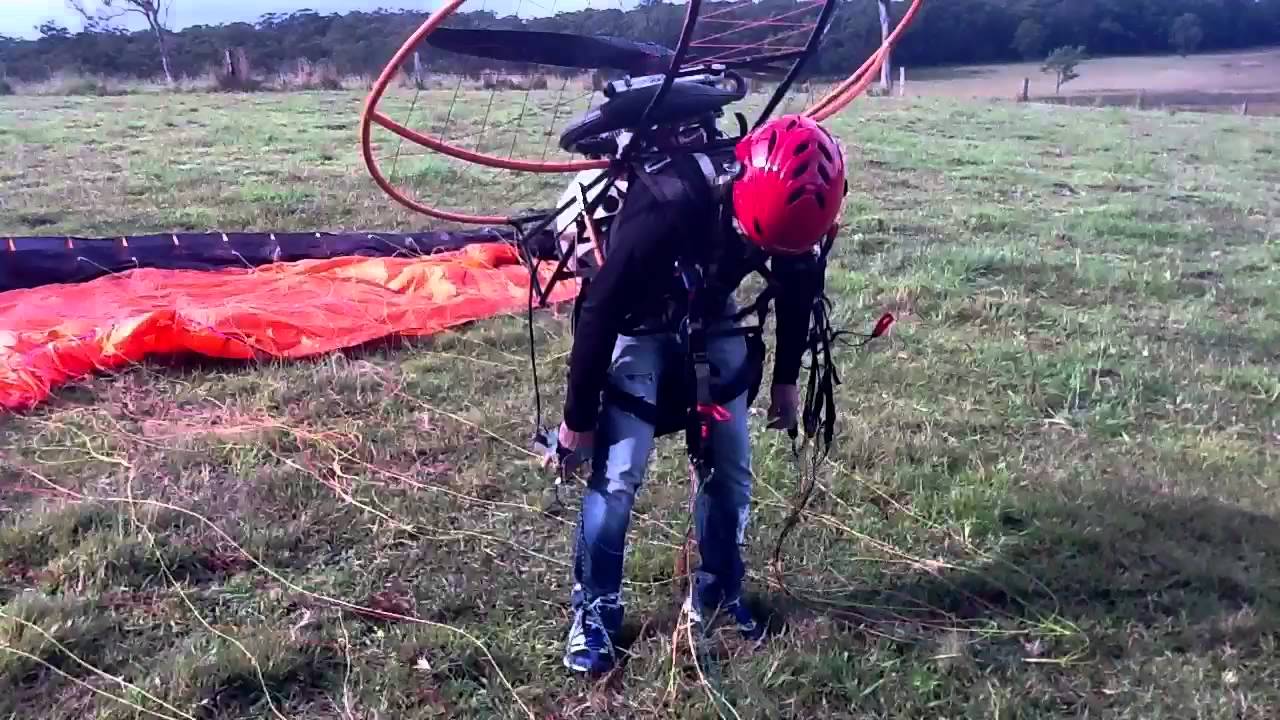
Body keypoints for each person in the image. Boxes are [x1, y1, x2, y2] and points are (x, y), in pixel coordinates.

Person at [553, 114, 847, 674]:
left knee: (732, 465)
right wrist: (577, 418)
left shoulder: (801, 201)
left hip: (712, 314)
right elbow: (599, 310)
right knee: (619, 473)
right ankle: (595, 614)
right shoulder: (666, 203)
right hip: (634, 322)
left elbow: (796, 287)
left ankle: (716, 594)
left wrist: (786, 379)